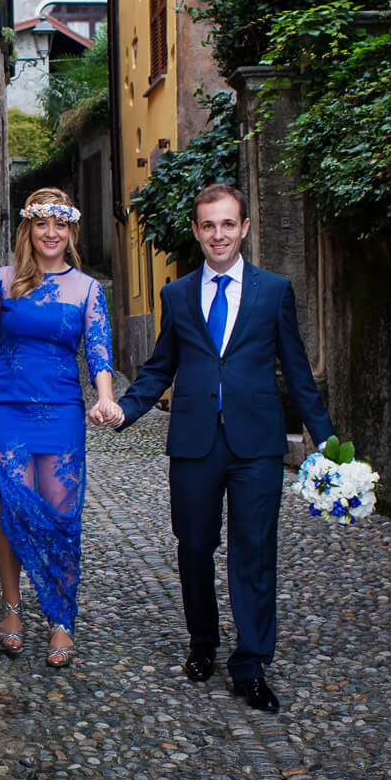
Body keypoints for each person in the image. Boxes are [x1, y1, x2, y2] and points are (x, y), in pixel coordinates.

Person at [115, 183, 334, 715]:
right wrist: (125, 409)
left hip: (256, 442)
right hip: (194, 442)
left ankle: (251, 664)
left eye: (228, 224)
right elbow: (161, 365)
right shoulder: (177, 296)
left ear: (245, 228)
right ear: (196, 230)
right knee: (193, 546)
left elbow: (298, 371)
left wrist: (327, 441)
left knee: (254, 551)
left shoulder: (274, 291)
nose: (218, 234)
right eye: (208, 225)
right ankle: (202, 643)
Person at [0, 187, 122, 669]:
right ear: (28, 230)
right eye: (41, 224)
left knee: (61, 515)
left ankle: (59, 616)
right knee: (12, 508)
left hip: (61, 412)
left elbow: (98, 351)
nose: (50, 234)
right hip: (6, 409)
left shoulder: (87, 289)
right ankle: (12, 605)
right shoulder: (2, 281)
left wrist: (106, 397)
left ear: (69, 231)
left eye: (59, 225)